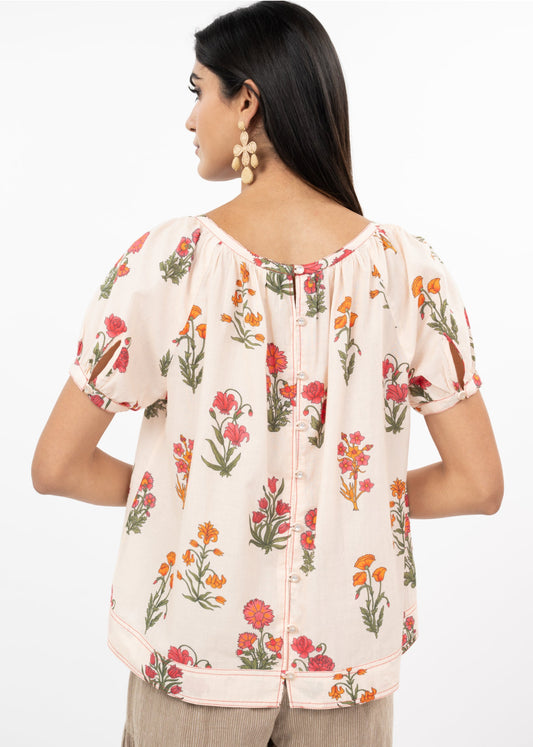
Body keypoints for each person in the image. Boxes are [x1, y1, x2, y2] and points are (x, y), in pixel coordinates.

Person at [31, 2, 504, 745]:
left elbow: (57, 465)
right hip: (344, 674)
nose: (191, 119)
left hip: (196, 665)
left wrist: (196, 495)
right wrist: (346, 502)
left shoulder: (170, 264)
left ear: (246, 101)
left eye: (198, 91)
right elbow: (478, 484)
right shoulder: (408, 271)